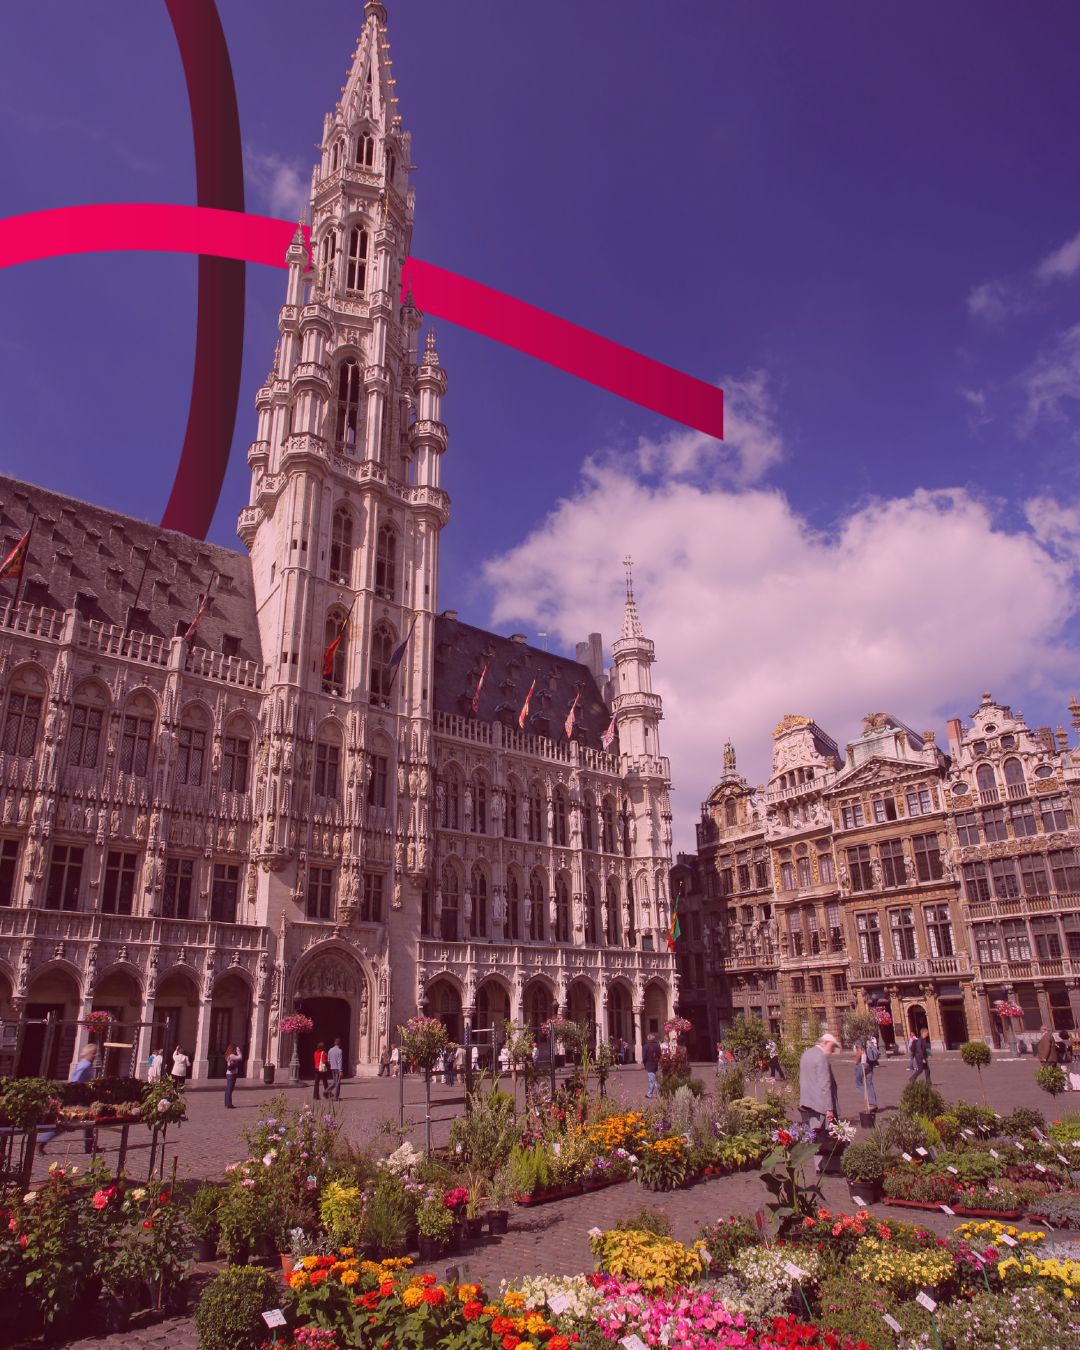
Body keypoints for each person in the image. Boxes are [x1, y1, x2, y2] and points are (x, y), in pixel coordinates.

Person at [39, 1044, 98, 1154]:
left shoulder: (88, 1065)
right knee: (67, 1123)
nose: (95, 1055)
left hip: (83, 1097)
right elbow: (74, 1083)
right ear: (87, 1054)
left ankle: (90, 1145)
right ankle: (43, 1139)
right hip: (76, 1098)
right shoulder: (83, 1066)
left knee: (90, 1121)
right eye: (93, 1053)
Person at [798, 1033, 841, 1174]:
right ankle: (828, 1166)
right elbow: (825, 1084)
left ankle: (819, 1166)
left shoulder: (807, 1053)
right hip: (820, 1103)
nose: (832, 1051)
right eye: (832, 1047)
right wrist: (829, 1108)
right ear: (826, 1042)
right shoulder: (821, 1057)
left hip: (808, 1101)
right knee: (827, 1136)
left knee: (816, 1135)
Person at [854, 1036, 877, 1115]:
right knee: (869, 1083)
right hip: (870, 1062)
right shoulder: (870, 1038)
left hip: (862, 1064)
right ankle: (873, 1103)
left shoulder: (860, 1039)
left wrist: (856, 1062)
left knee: (858, 1083)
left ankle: (869, 1101)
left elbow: (860, 1051)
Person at [642, 1032, 661, 1098]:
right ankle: (649, 1094)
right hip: (655, 1064)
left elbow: (644, 1057)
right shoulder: (658, 1046)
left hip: (649, 1064)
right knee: (652, 1079)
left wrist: (645, 1063)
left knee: (653, 1080)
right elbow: (659, 1055)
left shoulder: (646, 1046)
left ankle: (660, 1093)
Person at [224, 1043, 242, 1109]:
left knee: (228, 1089)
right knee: (229, 1089)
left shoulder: (228, 1055)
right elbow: (240, 1058)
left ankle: (227, 1103)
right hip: (232, 1074)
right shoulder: (231, 1055)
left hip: (229, 1074)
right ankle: (228, 1104)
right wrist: (238, 1051)